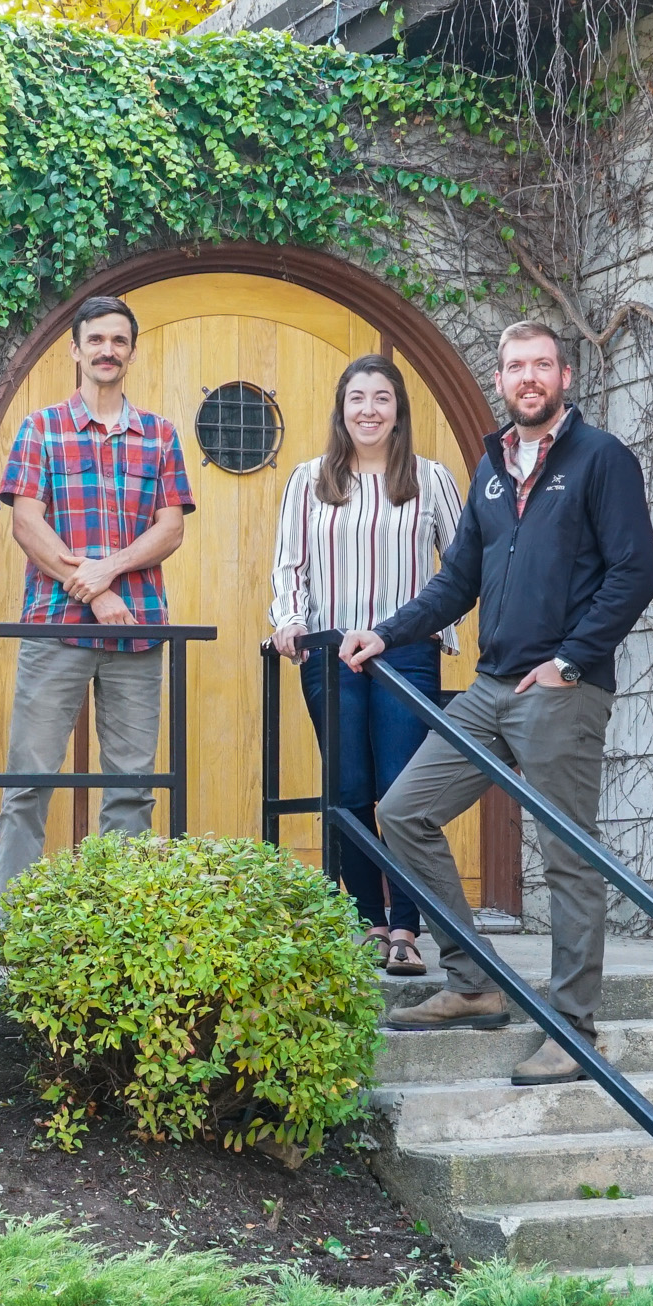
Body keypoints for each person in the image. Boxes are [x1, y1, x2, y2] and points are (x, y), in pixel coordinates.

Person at [340, 321, 653, 1086]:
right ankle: (473, 980)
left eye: (541, 365)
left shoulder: (600, 459)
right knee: (405, 809)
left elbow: (635, 571)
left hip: (561, 690)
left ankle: (574, 1028)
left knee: (567, 854)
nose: (528, 377)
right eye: (516, 365)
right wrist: (386, 632)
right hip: (488, 687)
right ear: (501, 376)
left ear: (566, 375)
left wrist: (571, 660)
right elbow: (457, 583)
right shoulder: (489, 471)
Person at [0, 295, 195, 917]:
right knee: (28, 779)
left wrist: (110, 572)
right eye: (96, 340)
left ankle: (116, 919)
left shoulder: (158, 433)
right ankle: (11, 919)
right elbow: (27, 524)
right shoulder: (41, 427)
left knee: (132, 785)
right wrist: (98, 589)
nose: (108, 350)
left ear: (131, 352)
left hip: (136, 632)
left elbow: (170, 529)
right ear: (75, 350)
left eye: (119, 341)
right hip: (56, 627)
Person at [271, 354, 464, 975]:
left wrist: (442, 630)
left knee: (402, 791)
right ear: (341, 409)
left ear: (399, 411)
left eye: (382, 398)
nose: (369, 410)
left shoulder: (431, 480)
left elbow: (462, 567)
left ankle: (408, 928)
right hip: (328, 654)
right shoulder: (308, 479)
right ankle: (368, 923)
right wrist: (288, 620)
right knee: (348, 791)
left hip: (404, 653)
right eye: (358, 398)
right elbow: (289, 565)